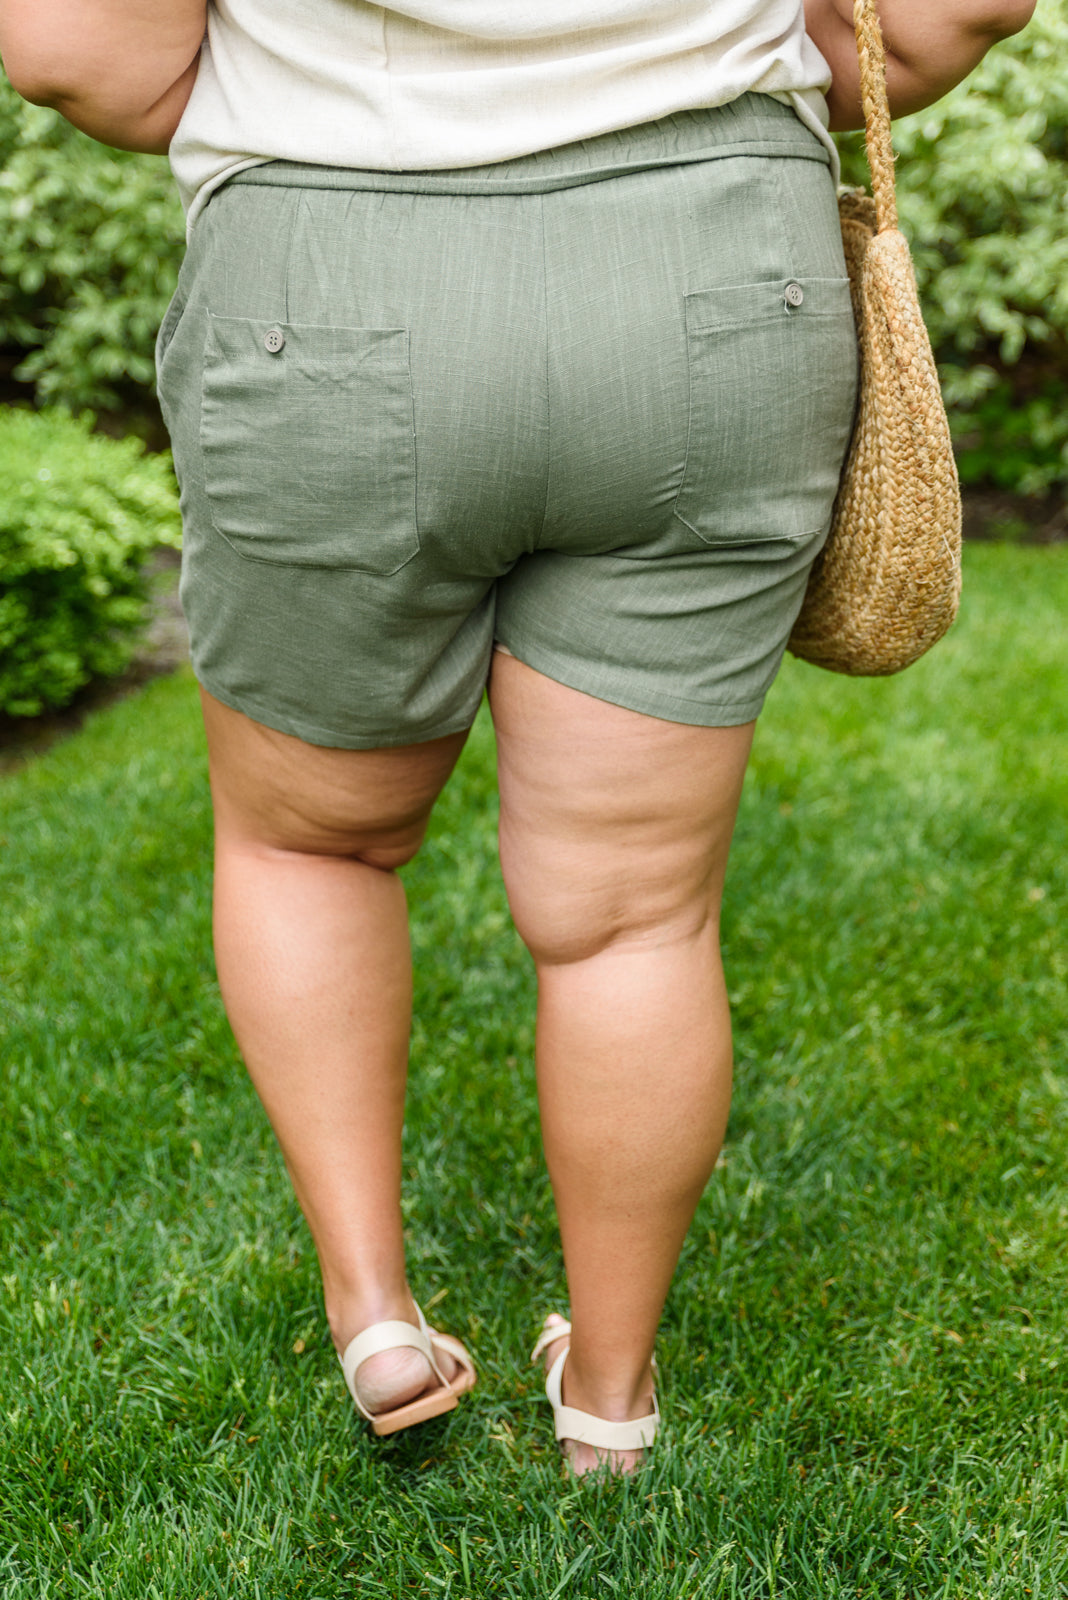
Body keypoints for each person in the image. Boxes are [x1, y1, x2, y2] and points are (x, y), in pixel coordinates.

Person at [0, 0, 1033, 1476]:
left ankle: (378, 1320)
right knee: (633, 909)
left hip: (332, 265)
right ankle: (608, 1398)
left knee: (311, 844)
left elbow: (70, 49)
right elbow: (953, 13)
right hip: (709, 260)